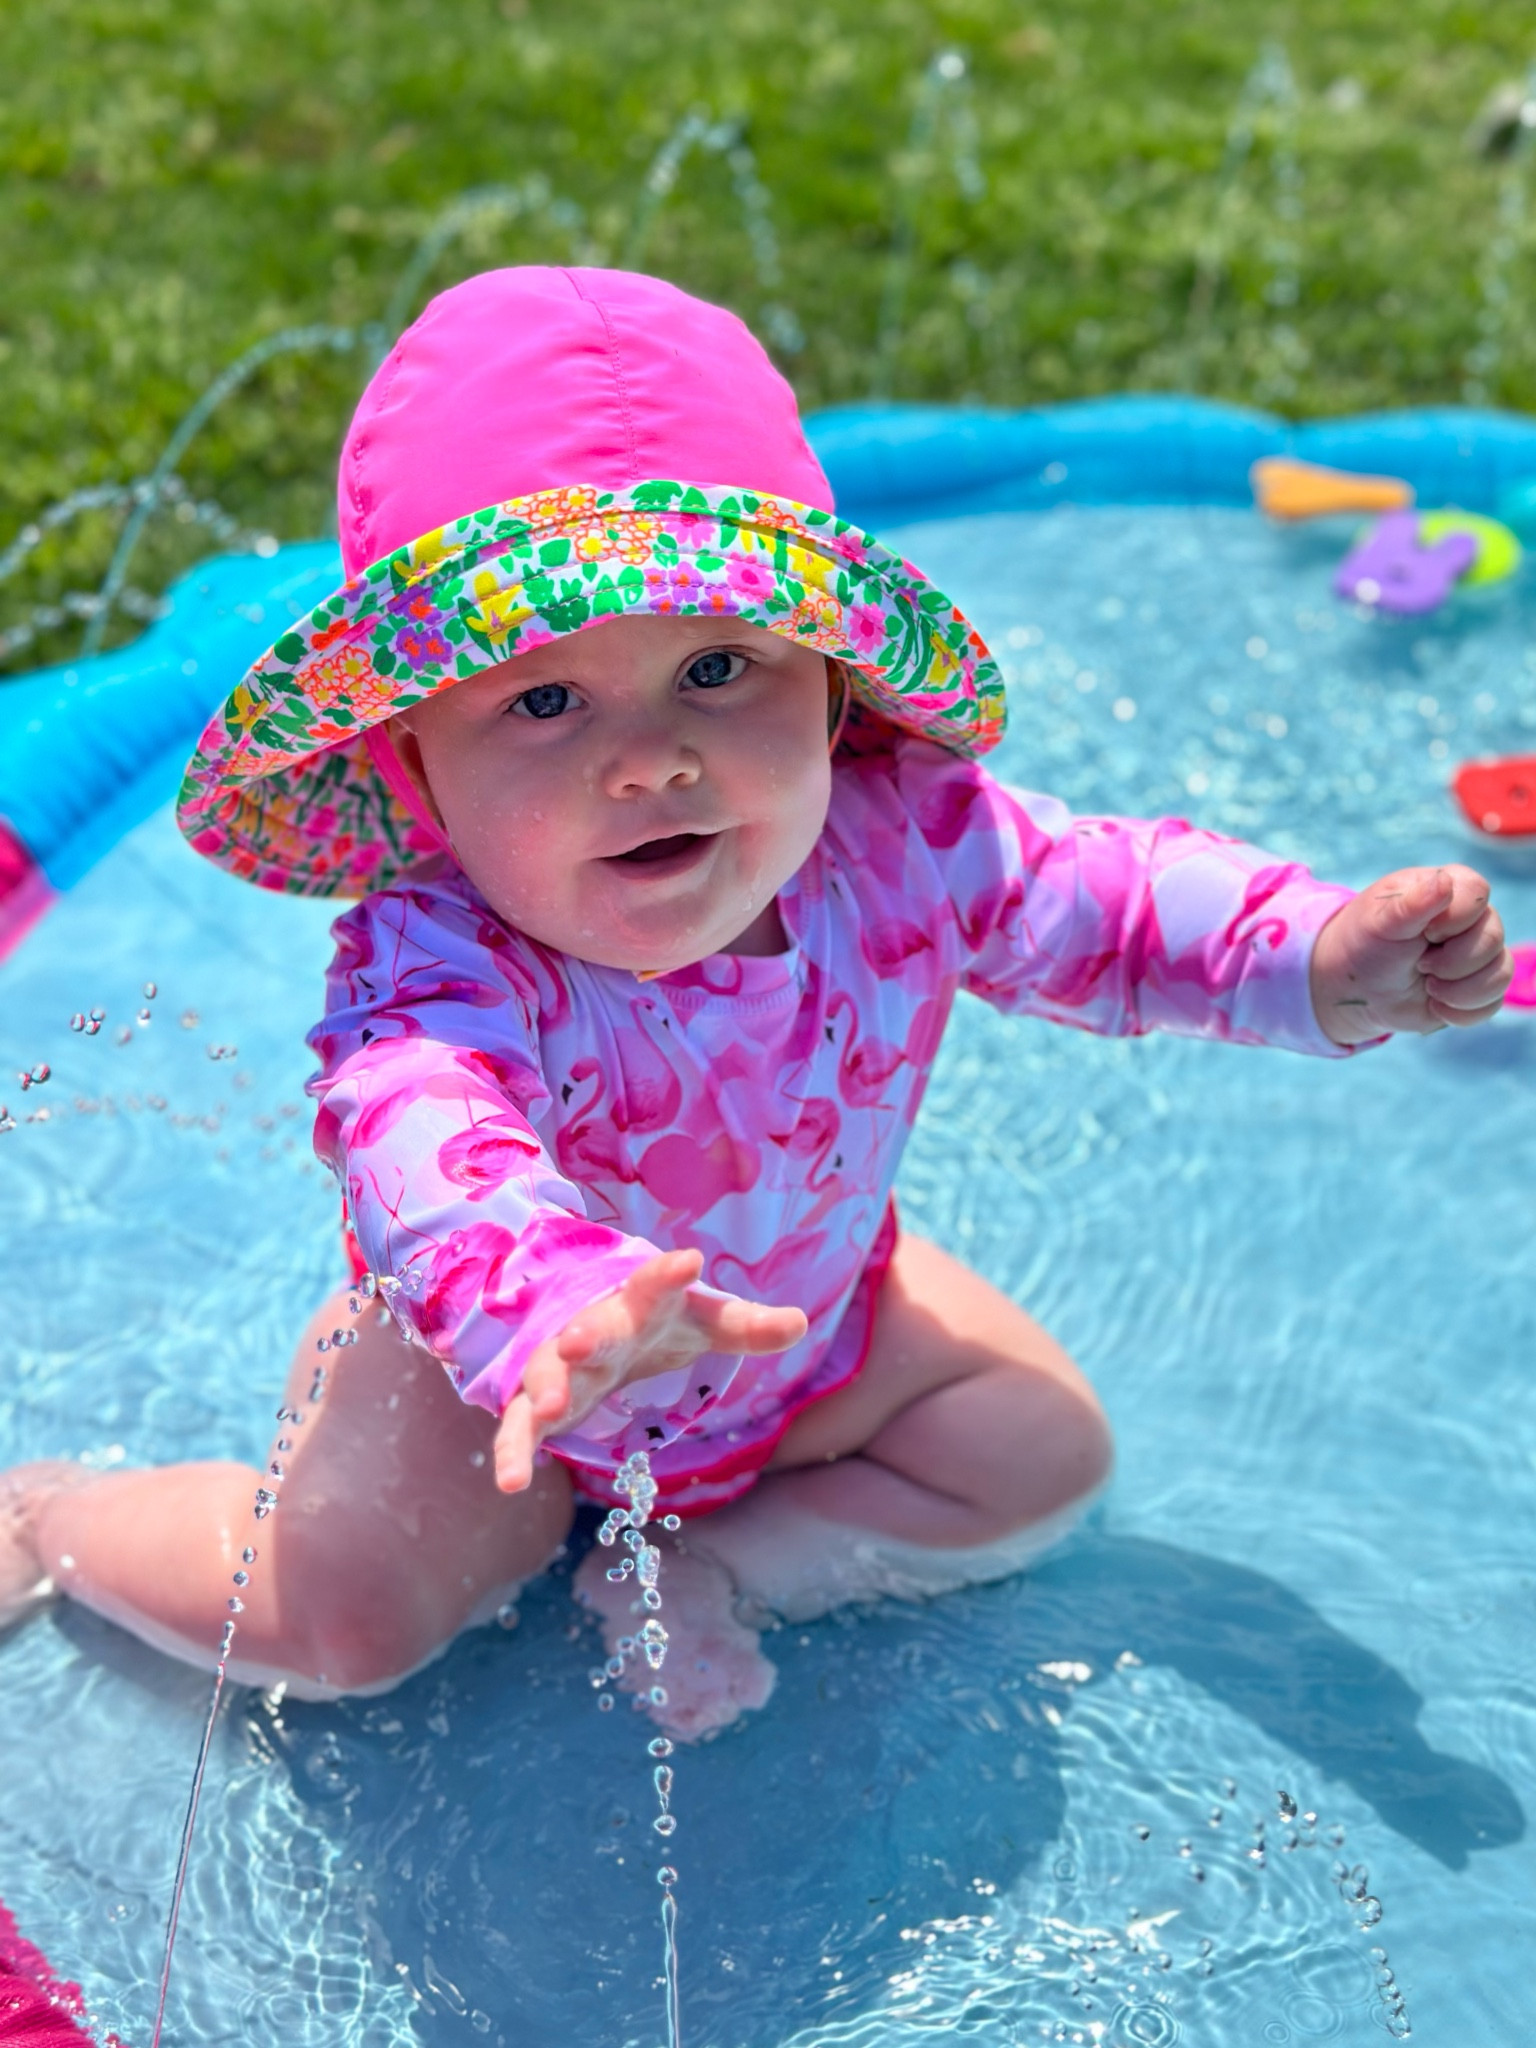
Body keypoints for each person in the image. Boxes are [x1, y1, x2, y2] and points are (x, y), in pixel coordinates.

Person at [0, 269, 1511, 1739]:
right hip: (499, 1393)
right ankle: (59, 1510)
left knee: (1041, 1456)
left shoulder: (907, 839)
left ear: (836, 687)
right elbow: (417, 1140)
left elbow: (1112, 904)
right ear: (415, 770)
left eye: (717, 665)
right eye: (545, 699)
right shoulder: (438, 962)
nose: (651, 758)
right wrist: (546, 1301)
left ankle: (717, 1564)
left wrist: (1320, 957)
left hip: (809, 1324)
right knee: (341, 1631)